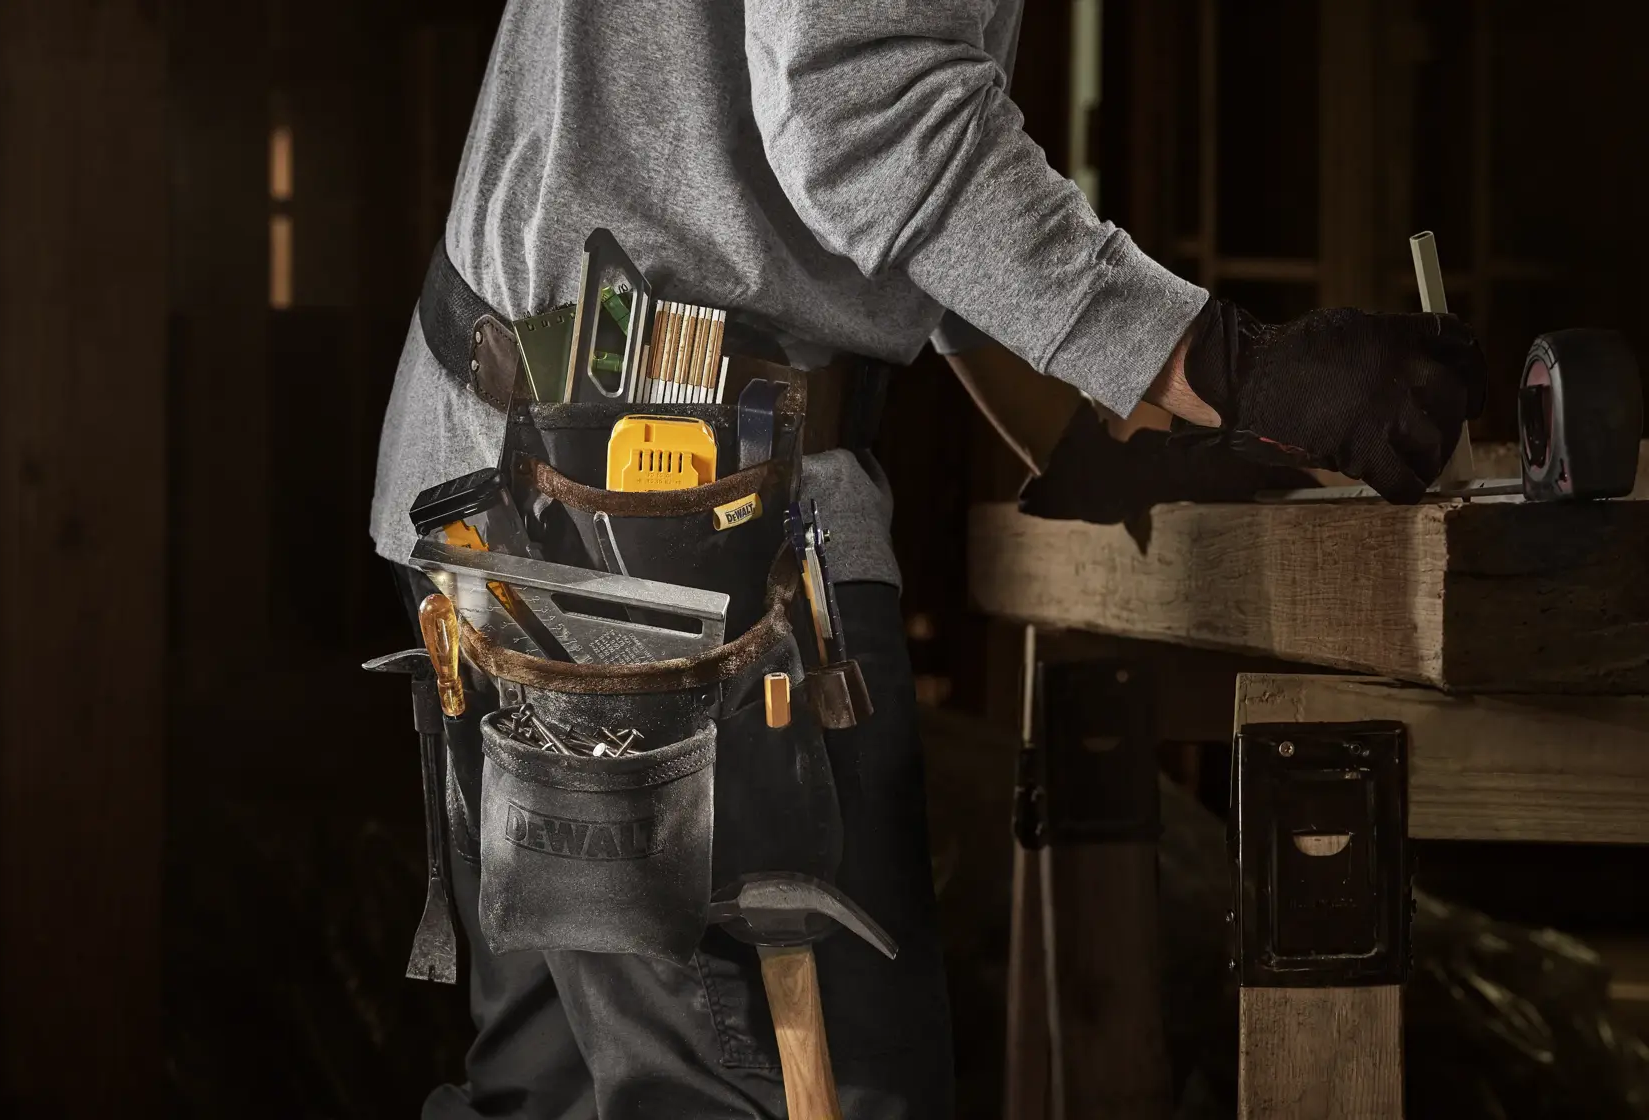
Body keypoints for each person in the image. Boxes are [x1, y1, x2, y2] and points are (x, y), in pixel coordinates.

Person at [369, 2, 1485, 1116]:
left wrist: (1087, 429)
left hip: (507, 479)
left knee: (557, 1092)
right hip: (674, 533)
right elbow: (861, 107)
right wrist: (1223, 362)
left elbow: (854, 131)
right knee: (786, 1089)